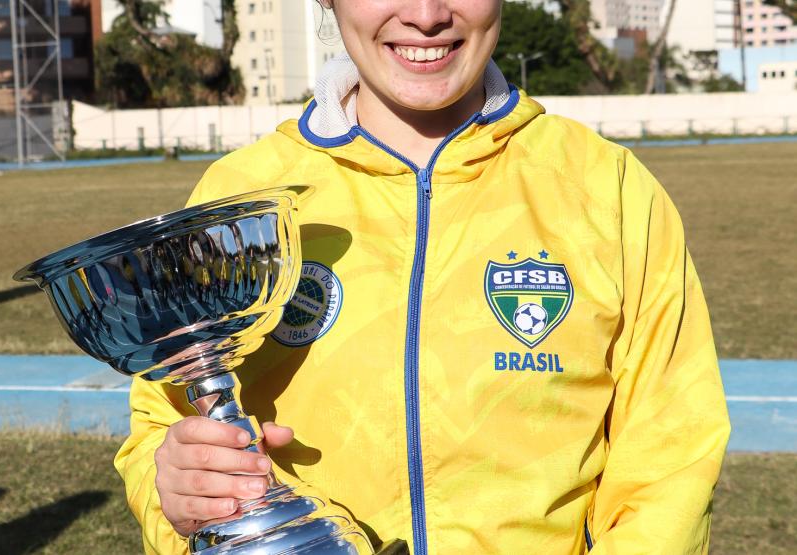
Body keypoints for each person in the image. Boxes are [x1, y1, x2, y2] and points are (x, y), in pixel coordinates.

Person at [114, 1, 731, 553]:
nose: (427, 14)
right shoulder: (241, 196)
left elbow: (669, 457)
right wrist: (178, 491)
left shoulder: (607, 188)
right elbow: (163, 429)